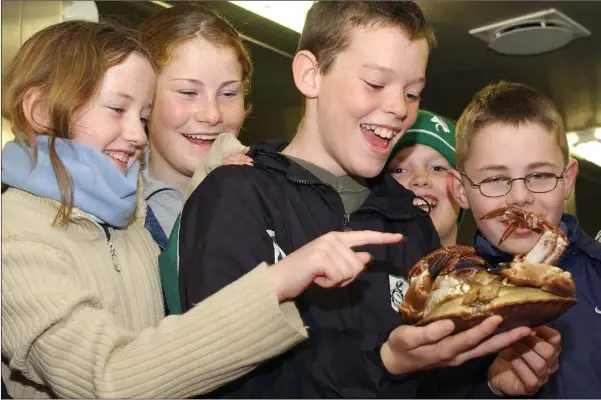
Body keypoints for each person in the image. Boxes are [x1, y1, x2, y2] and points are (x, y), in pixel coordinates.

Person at [0, 20, 402, 399]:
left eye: (143, 116)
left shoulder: (124, 222)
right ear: (39, 110)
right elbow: (109, 378)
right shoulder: (16, 239)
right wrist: (278, 281)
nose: (138, 135)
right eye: (117, 110)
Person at [174, 2, 554, 397]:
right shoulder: (237, 196)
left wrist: (491, 385)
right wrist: (383, 363)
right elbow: (224, 377)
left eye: (412, 93)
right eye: (375, 83)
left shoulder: (411, 225)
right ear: (311, 74)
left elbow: (435, 384)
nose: (397, 108)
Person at [449, 81, 601, 398]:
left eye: (540, 175)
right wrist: (490, 389)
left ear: (568, 179)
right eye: (494, 178)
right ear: (461, 189)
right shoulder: (446, 299)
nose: (520, 197)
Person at [139, 4, 252, 250]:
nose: (212, 115)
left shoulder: (272, 198)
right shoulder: (102, 217)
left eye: (229, 93)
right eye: (189, 92)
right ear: (144, 98)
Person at [386, 109, 463, 246]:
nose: (420, 179)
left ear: (463, 189)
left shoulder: (503, 267)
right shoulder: (351, 267)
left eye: (437, 169)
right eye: (399, 170)